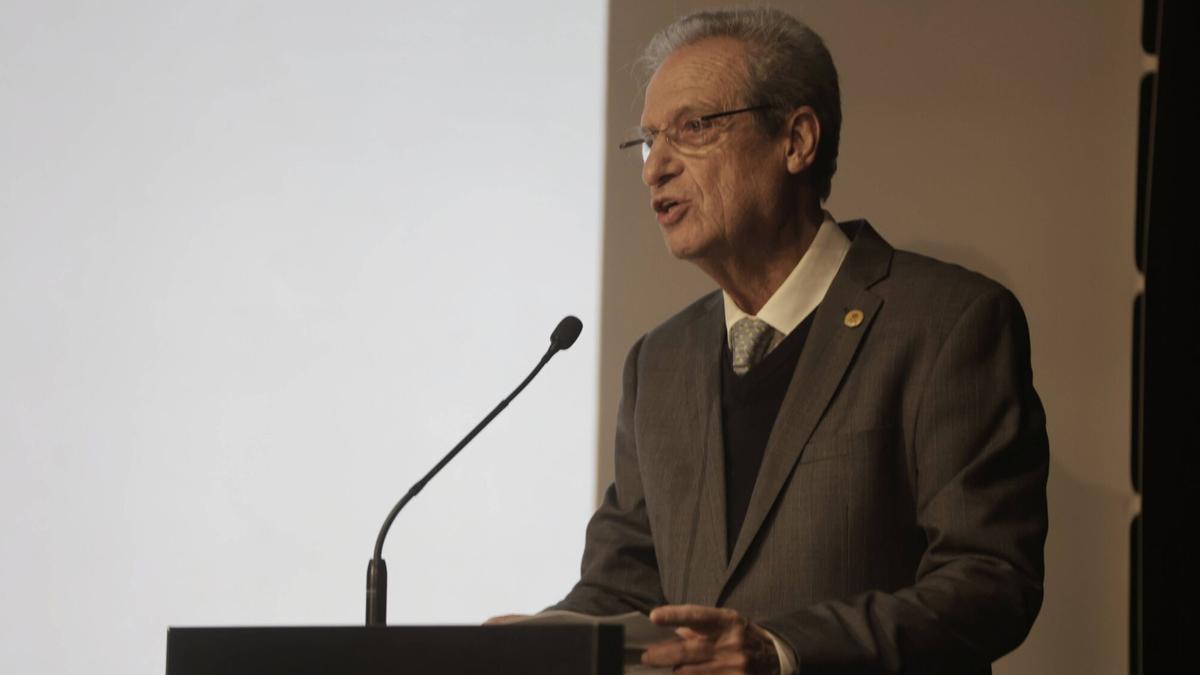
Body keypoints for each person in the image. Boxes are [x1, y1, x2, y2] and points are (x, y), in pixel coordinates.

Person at [499, 8, 1049, 674]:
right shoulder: (659, 362)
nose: (655, 169)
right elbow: (626, 584)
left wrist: (782, 649)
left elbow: (988, 580)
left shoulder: (946, 323)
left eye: (693, 128)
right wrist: (544, 639)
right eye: (647, 141)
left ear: (796, 140)